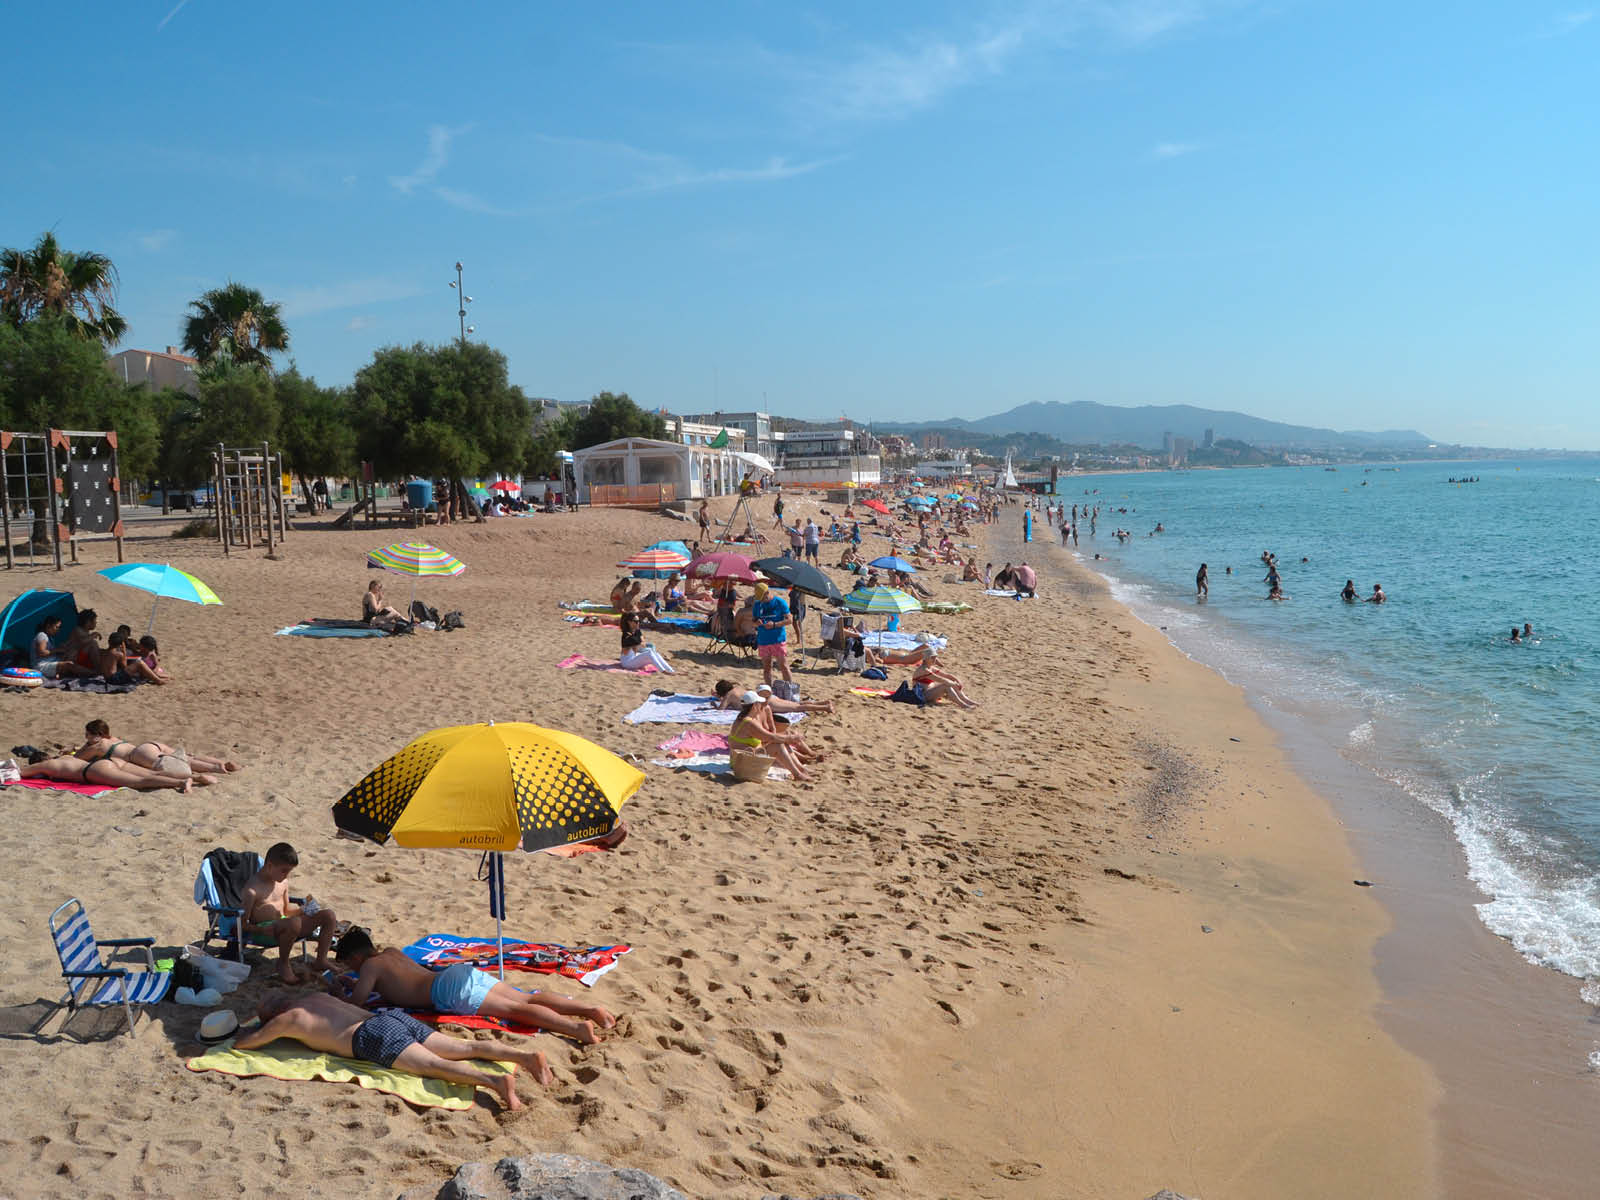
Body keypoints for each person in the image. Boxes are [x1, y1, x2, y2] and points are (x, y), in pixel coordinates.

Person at [232, 991, 548, 1110]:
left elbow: (248, 1043)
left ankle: (495, 1082)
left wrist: (244, 1034)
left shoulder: (289, 1019)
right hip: (389, 1018)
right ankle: (525, 1057)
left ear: (272, 1014)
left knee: (433, 1066)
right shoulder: (314, 997)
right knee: (464, 1046)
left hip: (371, 1036)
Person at [330, 928, 615, 1044]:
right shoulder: (391, 953)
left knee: (515, 1010)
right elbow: (392, 981)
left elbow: (357, 1002)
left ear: (356, 958)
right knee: (525, 999)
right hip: (456, 974)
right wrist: (354, 981)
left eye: (349, 965)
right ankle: (589, 1010)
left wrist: (340, 992)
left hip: (445, 992)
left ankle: (575, 1029)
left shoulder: (370, 967)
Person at [241, 842, 341, 984]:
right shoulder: (252, 890)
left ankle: (321, 960)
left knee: (328, 915)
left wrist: (303, 910)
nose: (287, 875)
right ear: (269, 866)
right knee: (293, 923)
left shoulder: (282, 883)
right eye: (284, 871)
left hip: (287, 926)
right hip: (265, 932)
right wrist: (260, 929)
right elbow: (242, 924)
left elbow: (286, 911)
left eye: (289, 871)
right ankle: (283, 963)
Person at [74, 718, 239, 776]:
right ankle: (220, 763)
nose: (86, 738)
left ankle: (218, 769)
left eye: (87, 734)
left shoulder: (97, 745)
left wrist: (82, 747)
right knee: (187, 757)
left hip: (139, 754)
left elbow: (77, 759)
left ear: (97, 735)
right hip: (149, 745)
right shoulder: (113, 738)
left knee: (185, 763)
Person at [3, 749, 200, 792]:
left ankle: (181, 782)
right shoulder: (65, 758)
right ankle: (195, 776)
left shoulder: (48, 766)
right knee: (152, 774)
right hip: (110, 761)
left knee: (139, 783)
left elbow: (22, 772)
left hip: (95, 771)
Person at [729, 695, 813, 781]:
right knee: (778, 745)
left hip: (744, 757)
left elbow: (768, 737)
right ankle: (797, 774)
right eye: (759, 703)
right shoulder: (749, 722)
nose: (761, 705)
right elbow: (771, 737)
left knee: (781, 742)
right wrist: (791, 738)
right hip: (741, 762)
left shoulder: (744, 718)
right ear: (755, 705)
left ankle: (801, 769)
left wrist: (789, 738)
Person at [713, 678, 835, 715]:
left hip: (767, 703)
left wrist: (714, 704)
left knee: (798, 708)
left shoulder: (728, 695)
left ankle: (825, 708)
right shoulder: (737, 688)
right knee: (797, 705)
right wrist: (719, 697)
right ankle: (823, 702)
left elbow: (721, 709)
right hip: (769, 698)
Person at [751, 582, 792, 686]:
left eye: (762, 597)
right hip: (763, 640)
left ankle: (789, 689)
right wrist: (756, 623)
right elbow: (753, 621)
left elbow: (789, 620)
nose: (761, 600)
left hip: (777, 639)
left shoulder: (779, 602)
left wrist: (774, 624)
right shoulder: (757, 604)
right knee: (767, 668)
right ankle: (769, 690)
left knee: (783, 666)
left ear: (767, 592)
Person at [29, 615, 94, 679]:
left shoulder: (50, 638)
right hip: (41, 665)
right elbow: (42, 652)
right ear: (48, 626)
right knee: (69, 664)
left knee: (72, 654)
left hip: (51, 661)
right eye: (57, 627)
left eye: (59, 627)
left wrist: (64, 649)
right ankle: (92, 673)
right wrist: (58, 650)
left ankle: (63, 673)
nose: (58, 630)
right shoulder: (42, 635)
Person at [910, 648, 979, 708]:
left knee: (950, 683)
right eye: (932, 657)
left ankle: (967, 701)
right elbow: (940, 679)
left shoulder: (930, 667)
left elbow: (946, 675)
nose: (934, 659)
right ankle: (963, 705)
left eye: (935, 657)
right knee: (946, 685)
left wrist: (957, 680)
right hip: (922, 696)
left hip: (929, 692)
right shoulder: (923, 670)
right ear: (926, 658)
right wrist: (954, 684)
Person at [100, 631, 165, 685]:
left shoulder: (104, 652)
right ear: (121, 644)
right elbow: (125, 666)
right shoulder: (118, 654)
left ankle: (157, 678)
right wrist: (124, 651)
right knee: (139, 663)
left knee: (138, 665)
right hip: (114, 679)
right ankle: (158, 681)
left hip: (107, 678)